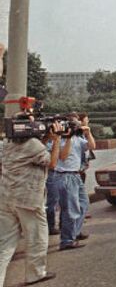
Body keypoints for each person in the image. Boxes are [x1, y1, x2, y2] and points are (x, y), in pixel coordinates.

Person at [0, 119, 62, 286]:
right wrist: (56, 140)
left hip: (6, 198)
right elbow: (53, 163)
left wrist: (46, 138)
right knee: (37, 237)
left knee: (4, 244)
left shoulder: (6, 143)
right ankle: (35, 273)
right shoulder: (34, 145)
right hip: (28, 200)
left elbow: (30, 150)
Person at [55, 113, 94, 250]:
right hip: (65, 175)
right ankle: (66, 240)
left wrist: (88, 133)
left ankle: (75, 233)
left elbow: (91, 146)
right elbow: (63, 157)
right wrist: (69, 138)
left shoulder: (78, 138)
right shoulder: (60, 139)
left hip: (76, 175)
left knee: (83, 204)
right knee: (70, 209)